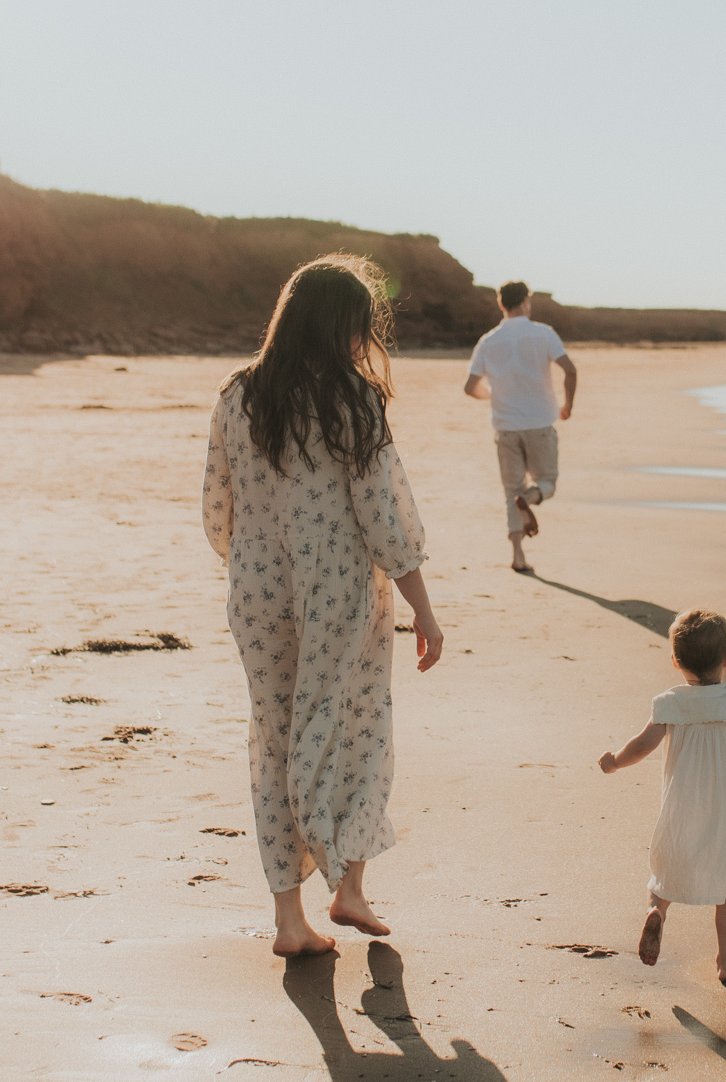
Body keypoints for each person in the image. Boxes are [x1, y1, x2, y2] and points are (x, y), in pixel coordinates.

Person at [203, 254, 446, 959]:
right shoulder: (352, 398)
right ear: (341, 326)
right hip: (339, 587)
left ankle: (288, 918)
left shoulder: (236, 395)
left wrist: (252, 563)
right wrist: (422, 608)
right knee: (355, 727)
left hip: (255, 590)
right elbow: (386, 517)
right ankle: (349, 887)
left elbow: (217, 506)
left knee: (275, 738)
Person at [597, 609, 726, 981]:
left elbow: (642, 746)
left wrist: (615, 761)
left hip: (683, 805)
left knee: (667, 871)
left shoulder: (670, 702)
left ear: (676, 662)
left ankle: (656, 911)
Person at [462, 281, 577, 573]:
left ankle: (518, 556)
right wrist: (568, 406)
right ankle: (530, 499)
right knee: (547, 482)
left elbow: (470, 387)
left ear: (501, 305)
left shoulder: (488, 341)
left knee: (510, 489)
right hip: (539, 423)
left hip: (505, 428)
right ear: (526, 302)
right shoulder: (543, 333)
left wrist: (493, 395)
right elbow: (570, 370)